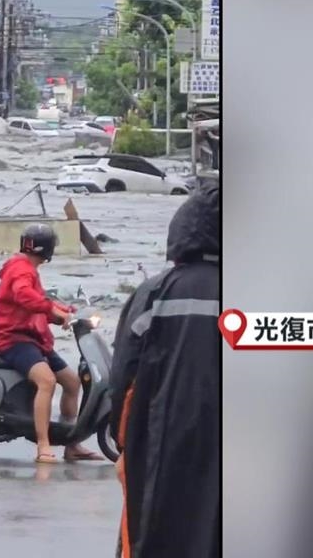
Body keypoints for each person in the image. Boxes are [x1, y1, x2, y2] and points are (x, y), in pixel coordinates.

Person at [110, 181, 221, 557]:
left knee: (154, 531)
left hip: (163, 441)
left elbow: (123, 375)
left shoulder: (155, 294)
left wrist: (122, 443)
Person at [0, 223, 103, 464]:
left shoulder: (27, 268)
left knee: (73, 383)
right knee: (47, 381)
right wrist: (51, 309)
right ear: (47, 249)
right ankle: (43, 446)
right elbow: (25, 296)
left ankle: (71, 443)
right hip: (15, 340)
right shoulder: (21, 270)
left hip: (36, 340)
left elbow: (39, 301)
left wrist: (67, 311)